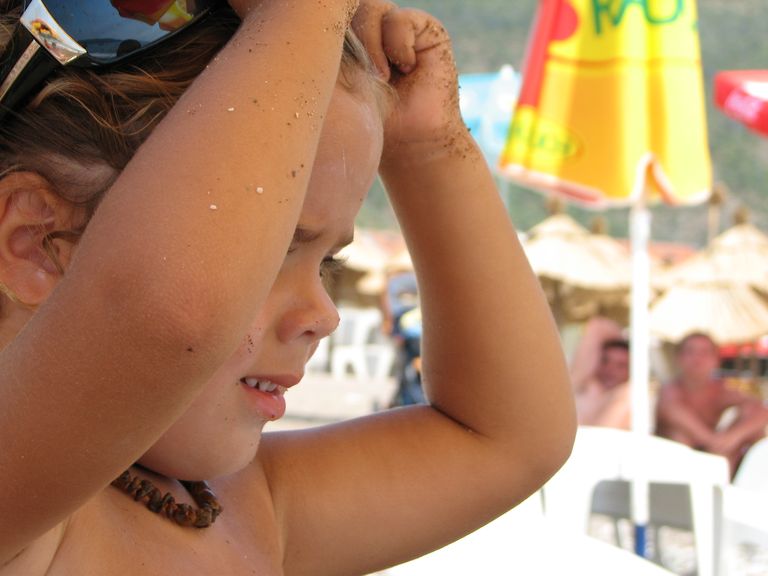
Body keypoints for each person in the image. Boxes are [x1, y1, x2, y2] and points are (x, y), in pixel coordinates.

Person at [0, 1, 576, 574]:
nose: (324, 315)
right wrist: (304, 13)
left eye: (327, 264)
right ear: (37, 243)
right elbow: (165, 318)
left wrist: (428, 145)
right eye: (269, 256)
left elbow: (507, 437)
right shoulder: (22, 512)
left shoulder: (253, 508)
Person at [656, 332, 768, 476]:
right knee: (679, 436)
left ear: (716, 359)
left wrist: (733, 436)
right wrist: (713, 440)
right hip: (674, 467)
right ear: (678, 358)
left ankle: (729, 481)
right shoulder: (670, 391)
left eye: (704, 353)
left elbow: (761, 410)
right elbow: (673, 412)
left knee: (751, 423)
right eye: (690, 352)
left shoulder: (721, 390)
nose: (697, 359)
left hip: (717, 456)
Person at [569, 316, 631, 429]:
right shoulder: (582, 388)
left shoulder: (628, 397)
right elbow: (597, 325)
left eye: (621, 365)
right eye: (605, 361)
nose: (610, 369)